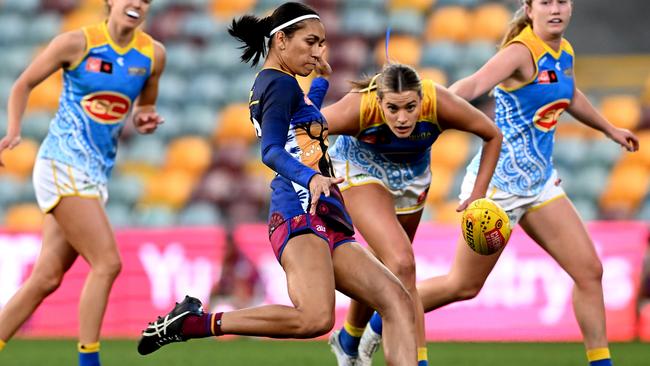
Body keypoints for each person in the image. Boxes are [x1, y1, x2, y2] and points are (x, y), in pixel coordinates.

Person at [358, 1, 640, 366]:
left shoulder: (563, 51)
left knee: (590, 270)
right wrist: (433, 106)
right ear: (529, 8)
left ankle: (602, 363)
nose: (555, 9)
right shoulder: (520, 53)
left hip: (539, 185)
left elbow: (568, 94)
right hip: (497, 188)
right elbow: (474, 83)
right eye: (545, 3)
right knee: (463, 286)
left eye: (561, 2)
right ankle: (387, 312)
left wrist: (609, 128)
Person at [136, 3, 417, 364]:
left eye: (323, 43)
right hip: (299, 212)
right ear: (281, 40)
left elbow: (305, 123)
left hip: (323, 212)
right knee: (314, 319)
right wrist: (311, 176)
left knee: (396, 299)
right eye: (312, 42)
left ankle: (193, 322)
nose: (318, 51)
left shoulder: (280, 86)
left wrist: (321, 81)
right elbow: (270, 150)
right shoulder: (279, 84)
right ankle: (194, 323)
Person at [0, 1, 166, 365]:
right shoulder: (77, 43)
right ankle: (88, 361)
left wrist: (144, 120)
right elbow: (23, 84)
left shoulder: (152, 55)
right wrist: (13, 132)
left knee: (46, 278)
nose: (137, 3)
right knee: (108, 263)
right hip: (60, 164)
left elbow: (141, 109)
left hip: (94, 175)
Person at [322, 63, 503, 366]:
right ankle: (415, 361)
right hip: (361, 170)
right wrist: (313, 175)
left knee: (387, 266)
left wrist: (478, 193)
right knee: (403, 263)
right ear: (379, 102)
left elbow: (492, 135)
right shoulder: (357, 108)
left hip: (412, 178)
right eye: (392, 108)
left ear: (422, 99)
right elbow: (303, 131)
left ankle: (349, 342)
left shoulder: (439, 102)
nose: (403, 118)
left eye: (410, 107)